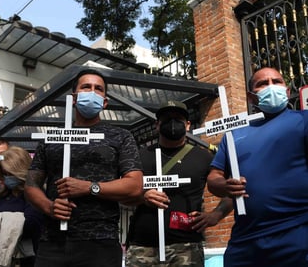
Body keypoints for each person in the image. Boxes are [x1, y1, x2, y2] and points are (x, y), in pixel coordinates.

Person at [25, 68, 144, 267]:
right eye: (86, 87)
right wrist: (49, 207)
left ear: (105, 102)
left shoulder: (120, 137)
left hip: (101, 244)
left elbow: (135, 185)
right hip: (52, 244)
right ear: (74, 98)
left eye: (98, 89)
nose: (92, 92)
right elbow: (31, 185)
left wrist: (90, 187)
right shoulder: (51, 138)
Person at [207, 67, 308, 267]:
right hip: (244, 243)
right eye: (262, 84)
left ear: (287, 92)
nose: (271, 87)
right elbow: (214, 177)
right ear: (251, 97)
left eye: (276, 82)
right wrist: (225, 185)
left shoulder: (303, 121)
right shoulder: (234, 134)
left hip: (298, 236)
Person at [125, 101, 232, 267]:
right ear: (157, 125)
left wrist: (216, 215)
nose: (173, 123)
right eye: (167, 118)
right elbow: (122, 195)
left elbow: (231, 191)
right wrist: (142, 196)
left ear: (188, 125)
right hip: (142, 246)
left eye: (178, 119)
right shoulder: (139, 156)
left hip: (187, 247)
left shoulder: (203, 157)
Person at [0, 146, 42, 267]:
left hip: (22, 261)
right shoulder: (1, 196)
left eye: (9, 173)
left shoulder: (33, 194)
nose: (7, 177)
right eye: (4, 174)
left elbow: (31, 225)